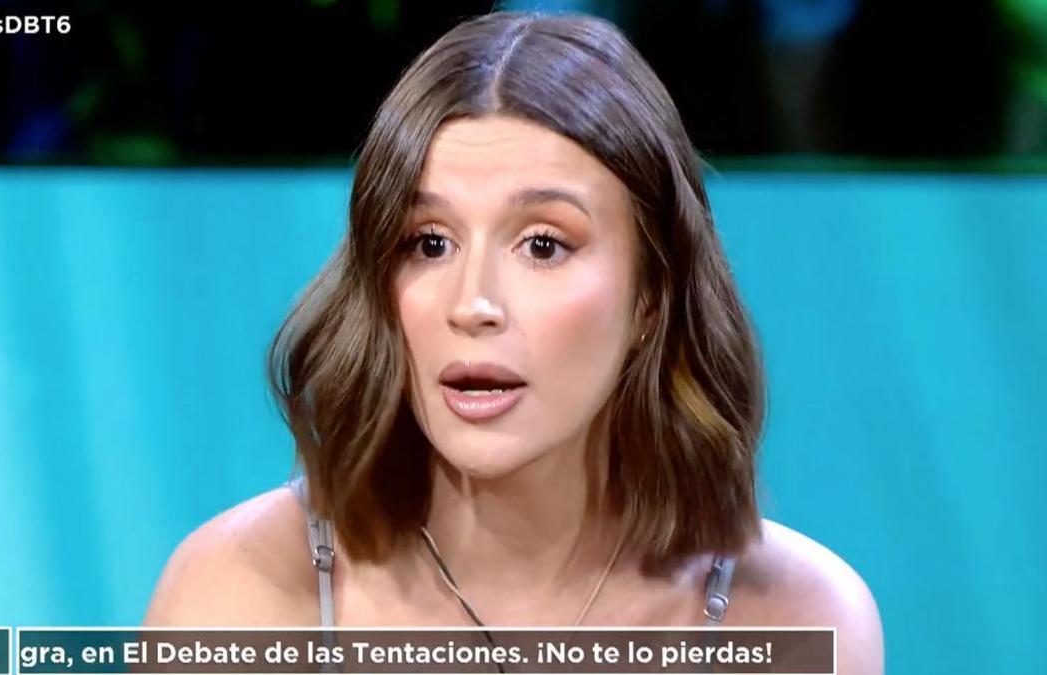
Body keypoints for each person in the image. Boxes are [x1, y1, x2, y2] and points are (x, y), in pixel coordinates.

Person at [144, 10, 883, 673]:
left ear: (652, 295)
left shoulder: (798, 623)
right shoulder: (238, 596)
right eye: (429, 242)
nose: (474, 305)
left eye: (543, 245)